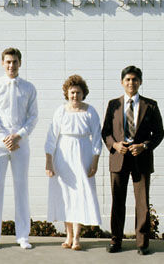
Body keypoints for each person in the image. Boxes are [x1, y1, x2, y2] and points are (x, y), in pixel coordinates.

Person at [101, 66, 164, 255]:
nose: (131, 83)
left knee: (142, 203)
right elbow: (105, 132)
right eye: (127, 79)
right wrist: (114, 145)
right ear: (122, 82)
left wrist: (144, 146)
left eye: (135, 80)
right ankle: (115, 241)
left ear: (140, 82)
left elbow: (159, 133)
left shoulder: (150, 105)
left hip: (141, 158)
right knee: (117, 201)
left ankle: (142, 243)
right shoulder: (114, 104)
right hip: (118, 158)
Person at [0, 47, 38, 251]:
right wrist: (3, 137)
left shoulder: (29, 88)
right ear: (2, 63)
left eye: (14, 62)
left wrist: (19, 135)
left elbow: (33, 116)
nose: (11, 65)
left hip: (20, 143)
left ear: (20, 63)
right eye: (7, 62)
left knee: (21, 187)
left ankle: (23, 235)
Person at [45, 75, 102, 251]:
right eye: (72, 92)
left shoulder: (90, 111)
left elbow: (97, 138)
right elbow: (51, 138)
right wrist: (49, 162)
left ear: (83, 93)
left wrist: (95, 162)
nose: (75, 96)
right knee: (65, 195)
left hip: (82, 155)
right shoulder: (60, 111)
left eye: (78, 92)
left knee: (80, 195)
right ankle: (68, 235)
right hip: (62, 157)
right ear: (67, 93)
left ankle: (77, 237)